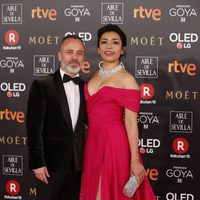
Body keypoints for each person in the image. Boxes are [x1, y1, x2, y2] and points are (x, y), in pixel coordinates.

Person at [80, 24, 155, 200]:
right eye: (104, 42)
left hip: (114, 144)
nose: (109, 46)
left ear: (122, 49)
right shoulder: (94, 76)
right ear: (98, 49)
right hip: (92, 143)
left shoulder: (127, 80)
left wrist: (135, 160)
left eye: (115, 42)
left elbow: (130, 122)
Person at [26, 35, 87, 200]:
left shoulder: (87, 88)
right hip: (50, 167)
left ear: (84, 58)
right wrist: (37, 163)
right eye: (69, 52)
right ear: (60, 55)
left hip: (79, 166)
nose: (74, 57)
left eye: (79, 53)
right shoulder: (42, 85)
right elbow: (33, 129)